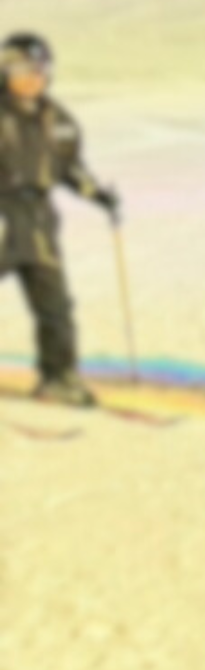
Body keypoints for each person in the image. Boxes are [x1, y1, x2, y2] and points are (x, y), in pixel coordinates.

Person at [0, 33, 118, 407]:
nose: (32, 77)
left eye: (40, 68)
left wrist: (96, 194)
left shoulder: (58, 120)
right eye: (22, 68)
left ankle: (58, 376)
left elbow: (70, 167)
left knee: (55, 305)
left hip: (38, 221)